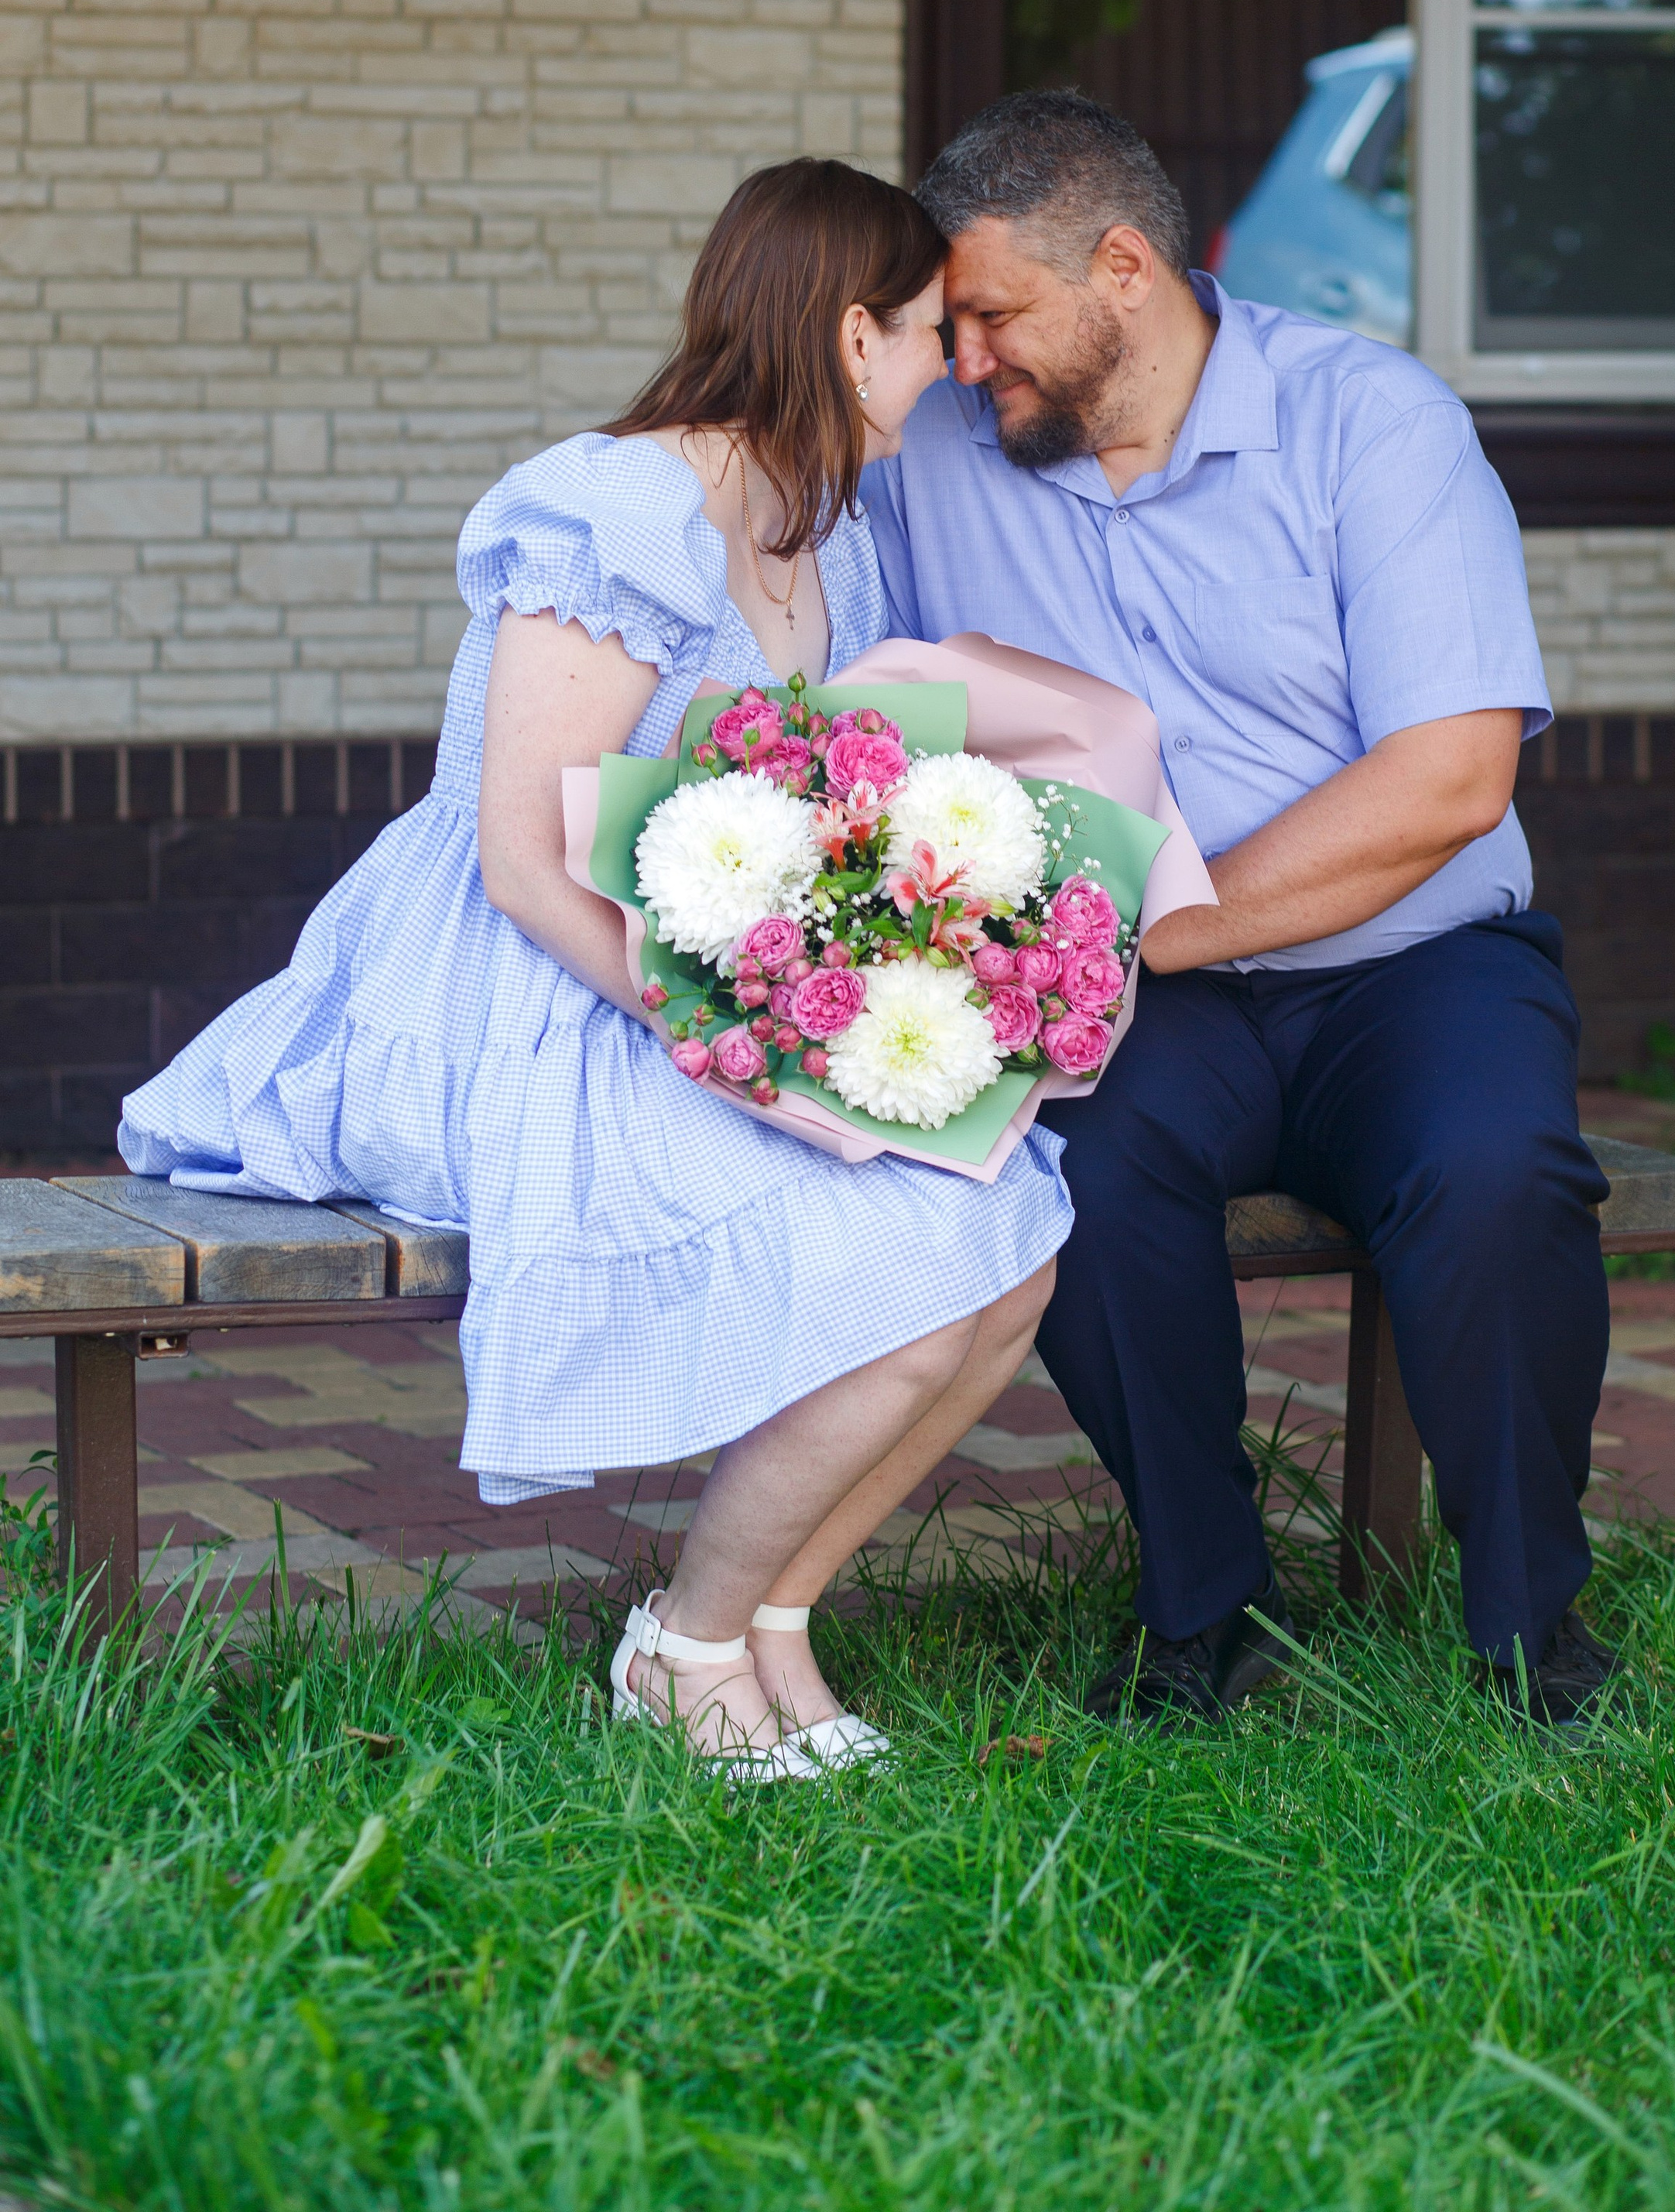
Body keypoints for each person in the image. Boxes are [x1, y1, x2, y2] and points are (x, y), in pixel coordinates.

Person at [119, 161, 1070, 1783]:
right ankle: (681, 1648)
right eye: (931, 329)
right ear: (852, 337)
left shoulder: (828, 527)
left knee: (1016, 1243)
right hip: (524, 983)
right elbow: (519, 857)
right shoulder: (620, 511)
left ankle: (775, 1625)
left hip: (695, 969)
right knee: (919, 1253)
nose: (957, 363)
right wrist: (740, 1047)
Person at [863, 91, 1615, 1732]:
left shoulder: (1373, 426)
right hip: (1145, 1000)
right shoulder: (932, 458)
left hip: (1410, 965)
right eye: (947, 325)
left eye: (992, 315)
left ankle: (1530, 1629)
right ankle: (1205, 1606)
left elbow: (1449, 779)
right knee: (1076, 1170)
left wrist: (1148, 930)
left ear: (1122, 269)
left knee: (1494, 1173)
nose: (963, 359)